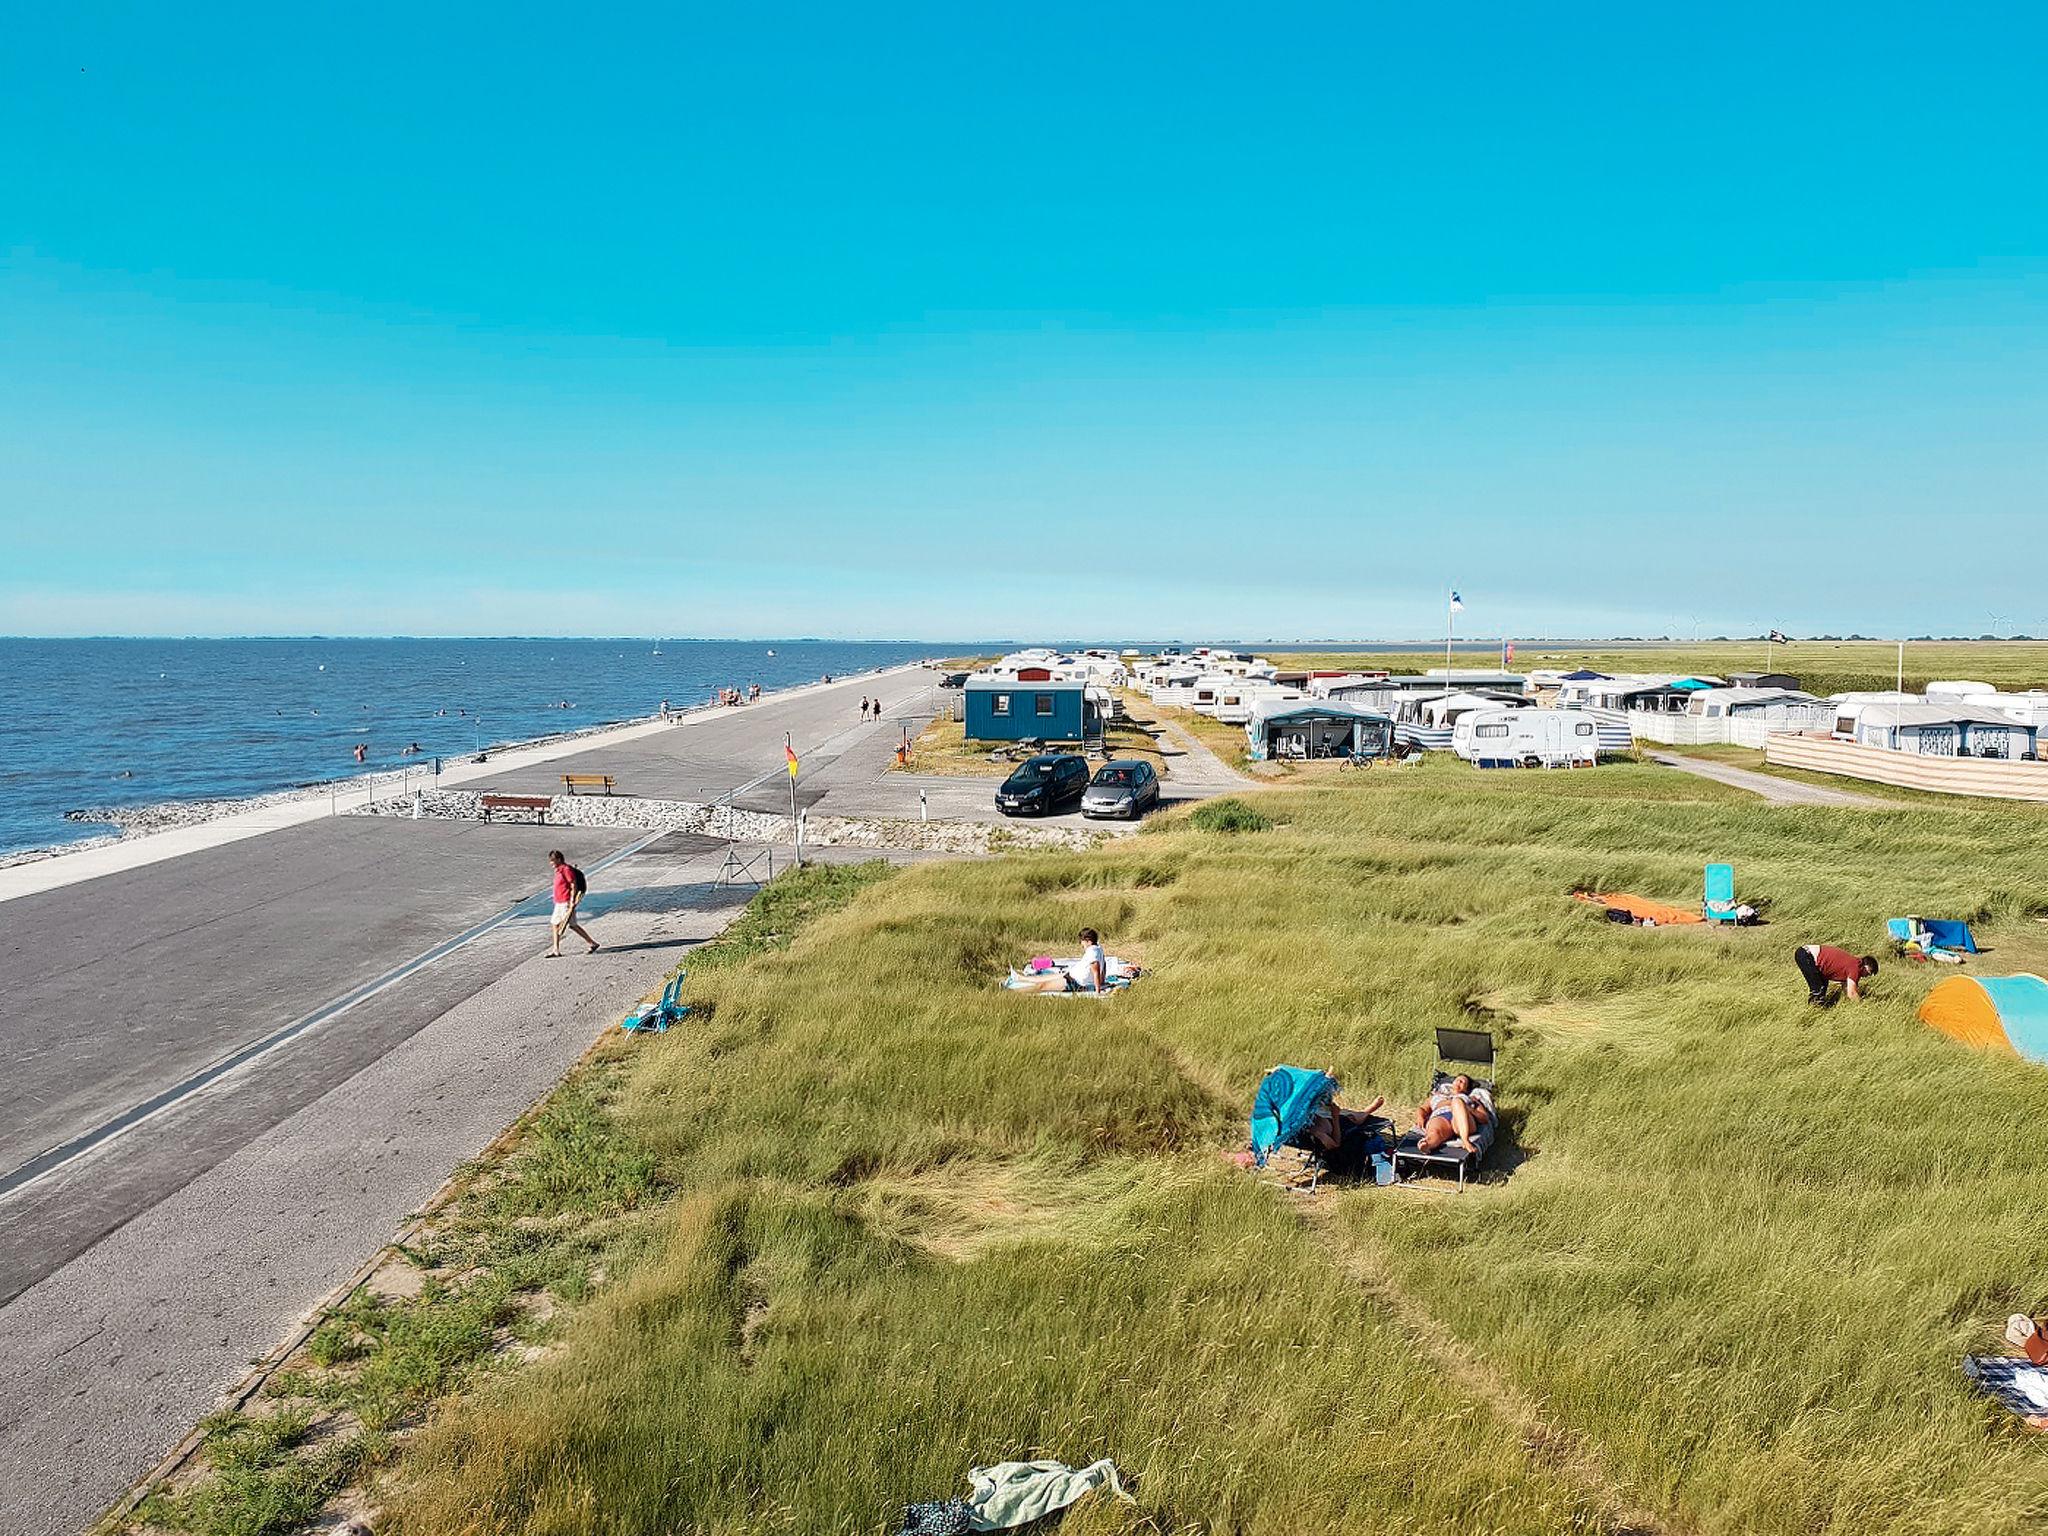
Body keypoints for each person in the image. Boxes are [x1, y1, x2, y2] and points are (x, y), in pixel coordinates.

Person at [1413, 1073, 1493, 1155]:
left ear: (1466, 1089)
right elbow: (1422, 1109)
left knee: (1457, 1101)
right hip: (1441, 1116)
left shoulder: (1471, 1098)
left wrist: (1467, 1108)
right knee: (1435, 1131)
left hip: (1462, 1119)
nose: (1458, 1082)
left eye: (1462, 1082)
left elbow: (1484, 1118)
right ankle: (1427, 1145)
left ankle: (1465, 1140)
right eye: (1457, 1080)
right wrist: (1420, 1117)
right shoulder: (1437, 1095)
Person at [546, 850, 599, 957]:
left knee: (571, 925)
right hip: (559, 902)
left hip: (565, 902)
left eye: (553, 861)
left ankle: (592, 943)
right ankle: (556, 949)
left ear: (559, 859)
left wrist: (572, 901)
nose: (551, 863)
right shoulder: (558, 870)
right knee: (556, 924)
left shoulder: (566, 869)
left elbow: (573, 885)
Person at [1794, 944, 1877, 1005]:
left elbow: (1847, 988)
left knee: (1821, 990)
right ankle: (1811, 1013)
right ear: (1866, 965)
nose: (1867, 976)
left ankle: (1816, 1009)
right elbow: (1852, 993)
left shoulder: (1853, 963)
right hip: (1807, 955)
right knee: (1818, 991)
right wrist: (1863, 1007)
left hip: (1806, 954)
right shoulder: (1856, 967)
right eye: (1869, 973)